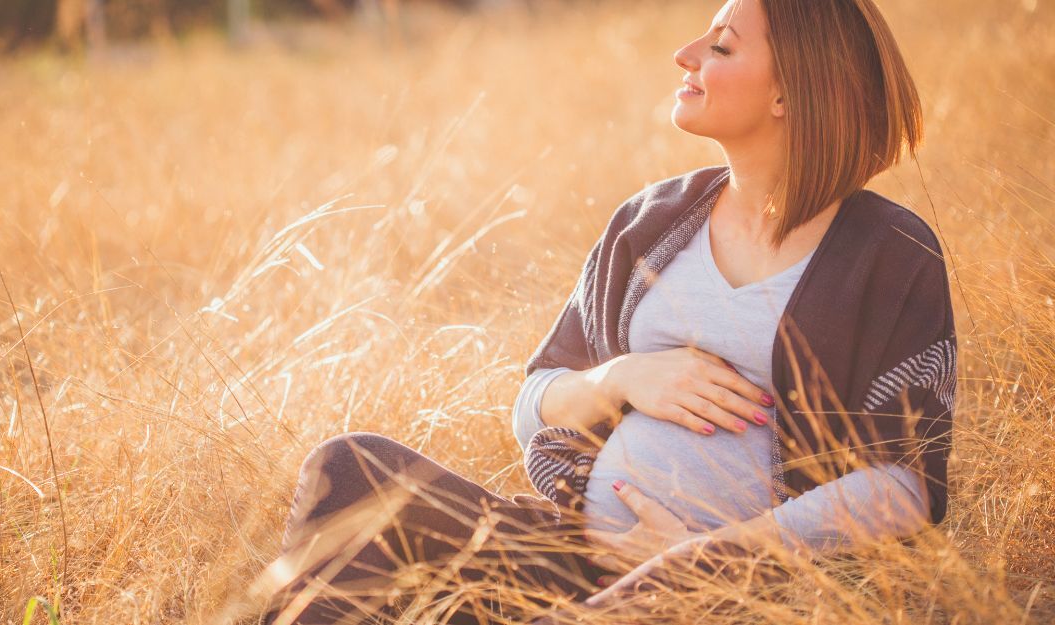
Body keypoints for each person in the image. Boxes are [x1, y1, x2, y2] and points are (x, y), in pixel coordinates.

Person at [258, 0, 956, 622]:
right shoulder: (651, 222)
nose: (684, 55)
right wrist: (619, 378)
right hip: (569, 552)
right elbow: (532, 404)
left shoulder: (887, 253)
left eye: (720, 46)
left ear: (790, 89)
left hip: (733, 588)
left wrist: (709, 554)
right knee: (348, 470)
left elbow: (902, 486)